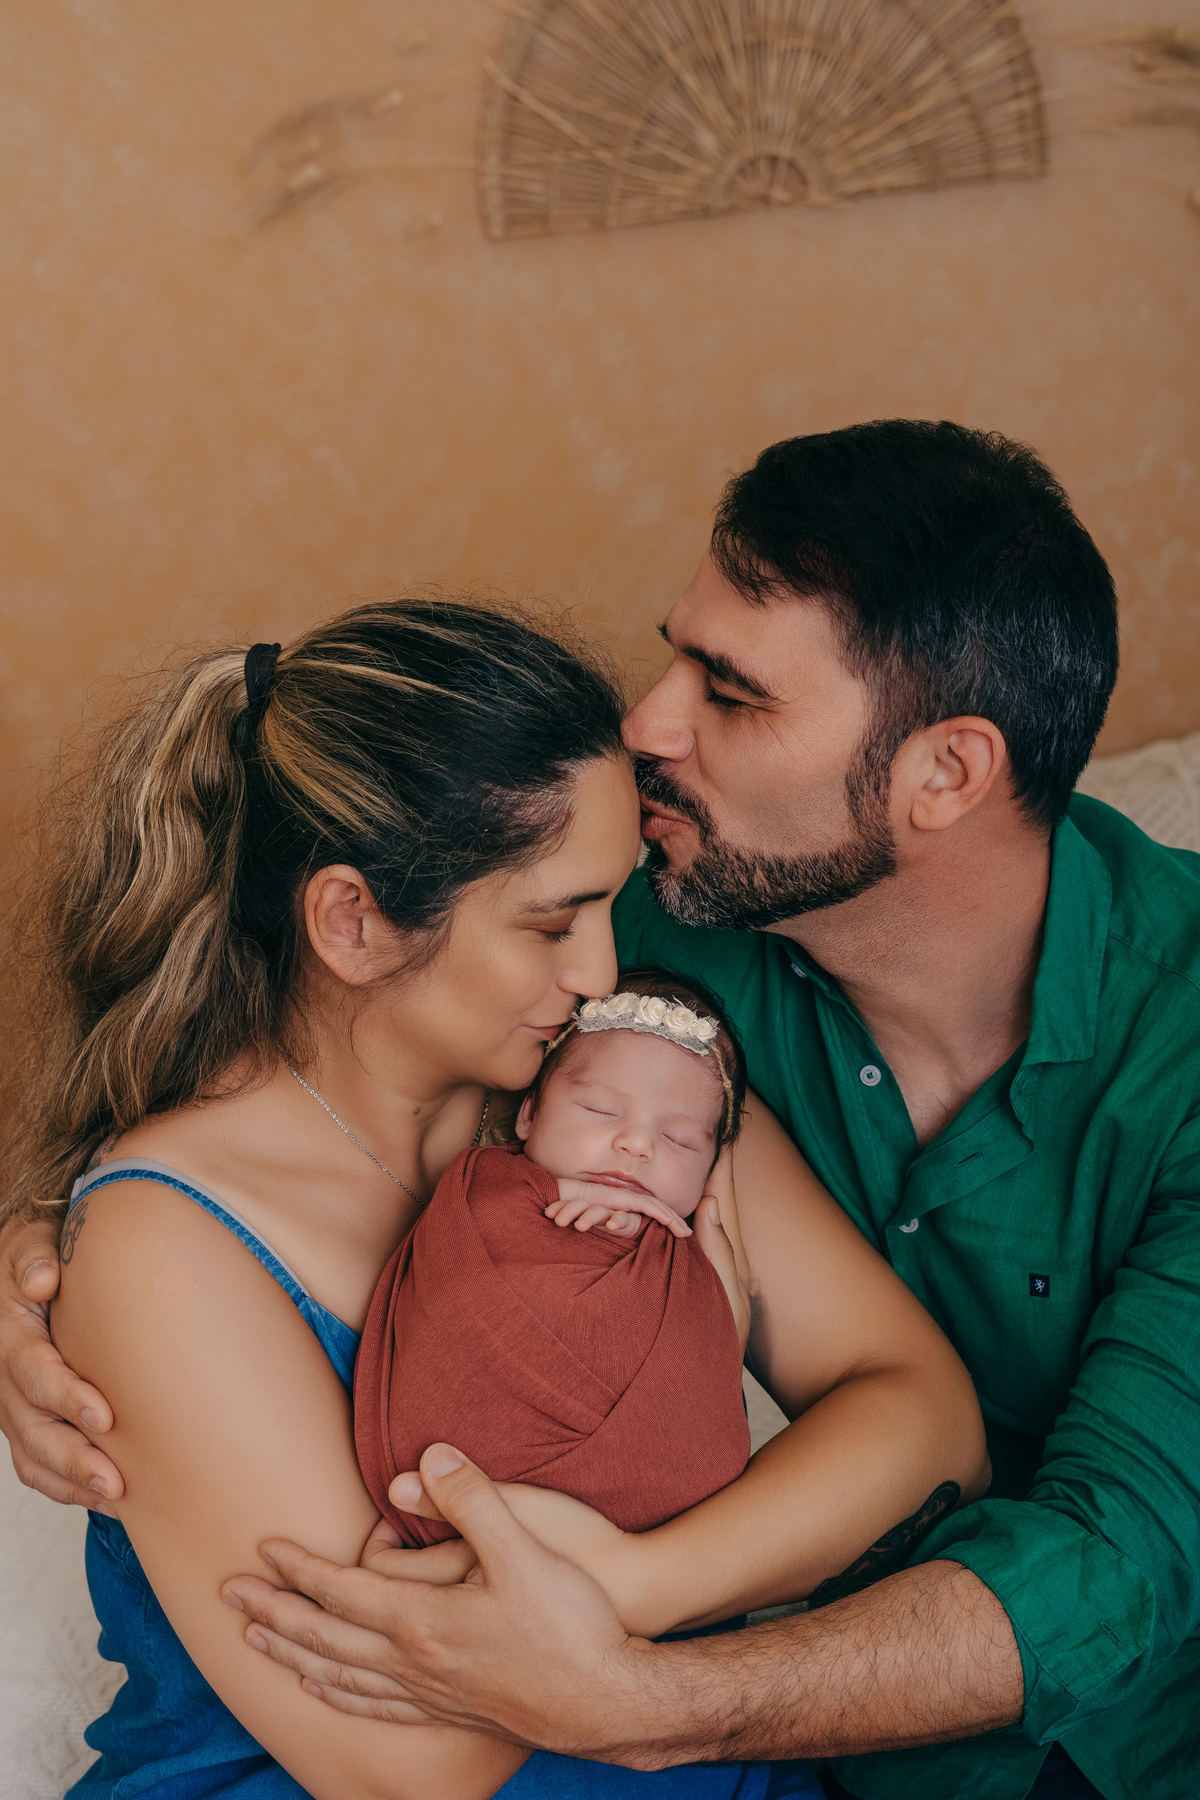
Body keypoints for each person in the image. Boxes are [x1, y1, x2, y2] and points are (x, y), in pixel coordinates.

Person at [153, 420, 1198, 1800]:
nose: (646, 725)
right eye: (677, 656)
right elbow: (337, 1021)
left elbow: (1120, 1555)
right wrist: (57, 1244)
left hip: (1110, 1738)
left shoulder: (1168, 1029)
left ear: (945, 773)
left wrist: (635, 1667)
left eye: (733, 694)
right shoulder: (647, 932)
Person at [0, 592, 986, 1799]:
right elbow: (418, 1762)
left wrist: (639, 1580)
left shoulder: (621, 1095)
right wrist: (698, 1446)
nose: (603, 972)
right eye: (553, 921)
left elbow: (931, 1425)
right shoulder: (165, 1249)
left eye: (612, 903)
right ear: (353, 922)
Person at [356, 971, 753, 1552]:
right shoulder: (485, 1191)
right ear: (528, 1115)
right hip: (453, 1471)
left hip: (642, 1533)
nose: (637, 1145)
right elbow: (453, 1269)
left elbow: (699, 1394)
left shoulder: (690, 1260)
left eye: (680, 1141)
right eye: (599, 1109)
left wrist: (711, 1318)